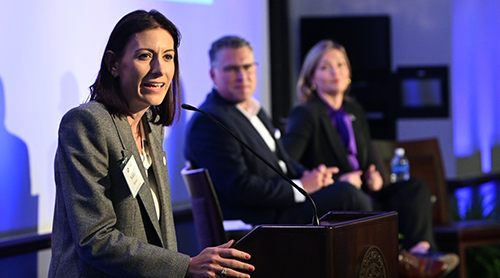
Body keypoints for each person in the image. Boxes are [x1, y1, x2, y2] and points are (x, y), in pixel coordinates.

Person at [49, 10, 254, 278]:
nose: (159, 69)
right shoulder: (86, 123)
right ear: (113, 63)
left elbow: (159, 230)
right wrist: (185, 266)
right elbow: (95, 238)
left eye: (168, 57)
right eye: (145, 56)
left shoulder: (152, 125)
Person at [281, 39, 459, 277]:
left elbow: (368, 162)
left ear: (349, 72)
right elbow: (287, 163)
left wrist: (375, 178)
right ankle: (400, 260)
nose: (335, 72)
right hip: (338, 200)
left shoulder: (354, 111)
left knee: (415, 188)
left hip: (366, 194)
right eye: (325, 67)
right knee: (354, 197)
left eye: (340, 64)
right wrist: (337, 180)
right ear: (312, 78)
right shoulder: (306, 113)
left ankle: (419, 253)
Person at [184, 35, 372, 227]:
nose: (242, 76)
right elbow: (240, 188)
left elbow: (283, 162)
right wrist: (302, 187)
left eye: (248, 67)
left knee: (350, 192)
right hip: (261, 222)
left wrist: (314, 176)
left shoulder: (253, 109)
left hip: (282, 207)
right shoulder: (209, 121)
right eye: (232, 69)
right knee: (348, 196)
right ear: (213, 75)